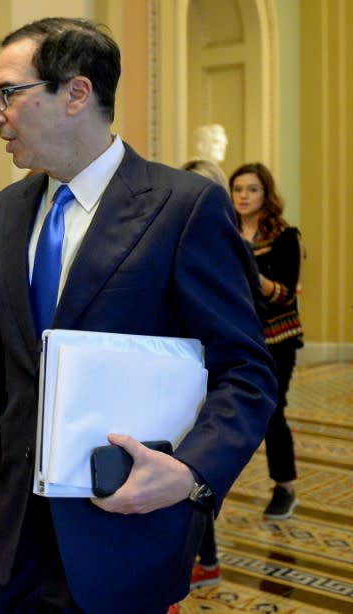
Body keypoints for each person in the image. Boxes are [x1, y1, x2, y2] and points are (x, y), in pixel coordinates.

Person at [0, 17, 276, 613]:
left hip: (123, 528)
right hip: (14, 538)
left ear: (76, 95)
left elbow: (247, 373)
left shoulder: (183, 208)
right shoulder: (5, 213)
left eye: (7, 94)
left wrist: (190, 472)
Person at [180, 159, 264, 592]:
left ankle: (204, 560)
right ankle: (200, 559)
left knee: (197, 472)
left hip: (214, 382)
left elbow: (247, 322)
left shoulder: (232, 247)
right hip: (181, 380)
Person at [231, 162, 303, 520]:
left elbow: (287, 294)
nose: (244, 196)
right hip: (236, 335)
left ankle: (284, 486)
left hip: (278, 338)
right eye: (238, 189)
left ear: (266, 194)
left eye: (252, 189)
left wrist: (249, 271)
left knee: (273, 411)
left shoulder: (286, 237)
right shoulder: (225, 232)